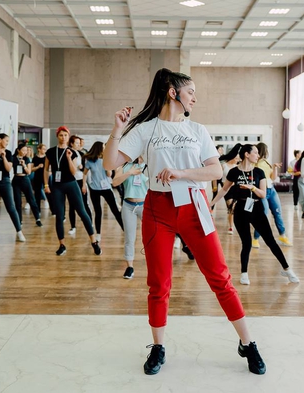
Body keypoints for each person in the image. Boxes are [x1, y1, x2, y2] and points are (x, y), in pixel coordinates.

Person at [103, 68, 266, 376]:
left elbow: (215, 171)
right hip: (158, 209)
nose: (195, 97)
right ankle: (158, 347)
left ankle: (248, 343)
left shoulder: (197, 130)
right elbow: (110, 163)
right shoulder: (146, 129)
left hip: (194, 206)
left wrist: (182, 173)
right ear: (173, 92)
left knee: (220, 277)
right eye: (191, 91)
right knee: (159, 282)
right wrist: (118, 129)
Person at [212, 144, 299, 286]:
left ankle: (287, 269)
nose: (258, 155)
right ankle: (244, 273)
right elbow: (224, 190)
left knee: (270, 241)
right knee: (246, 243)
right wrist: (211, 204)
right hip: (240, 209)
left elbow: (263, 194)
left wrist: (252, 187)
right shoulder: (234, 172)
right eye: (256, 152)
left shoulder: (259, 172)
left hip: (256, 208)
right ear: (247, 154)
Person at [45, 126, 100, 256]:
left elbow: (74, 172)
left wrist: (69, 158)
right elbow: (46, 169)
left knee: (82, 212)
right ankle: (62, 245)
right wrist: (46, 184)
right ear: (57, 136)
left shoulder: (73, 152)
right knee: (59, 216)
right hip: (57, 186)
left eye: (65, 135)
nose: (63, 137)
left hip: (71, 184)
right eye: (61, 135)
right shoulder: (50, 152)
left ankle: (94, 242)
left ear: (68, 137)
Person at [112, 156, 148, 279]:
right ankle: (130, 267)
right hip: (128, 206)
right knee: (129, 237)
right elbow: (115, 182)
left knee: (151, 236)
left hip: (145, 206)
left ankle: (154, 263)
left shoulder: (149, 166)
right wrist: (129, 173)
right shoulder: (126, 166)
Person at [251, 142, 292, 248]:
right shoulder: (254, 164)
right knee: (263, 215)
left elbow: (273, 178)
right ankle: (255, 238)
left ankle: (282, 235)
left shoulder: (266, 162)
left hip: (271, 190)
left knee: (278, 212)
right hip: (262, 191)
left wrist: (274, 167)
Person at [83, 141, 124, 240]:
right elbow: (84, 173)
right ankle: (98, 234)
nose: (105, 149)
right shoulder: (90, 161)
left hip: (106, 188)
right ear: (99, 149)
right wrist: (83, 185)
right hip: (94, 189)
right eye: (103, 147)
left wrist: (108, 166)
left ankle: (125, 230)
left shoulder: (106, 160)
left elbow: (109, 175)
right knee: (98, 212)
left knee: (115, 210)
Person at [12, 142, 43, 227]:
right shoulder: (13, 158)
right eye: (23, 150)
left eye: (26, 150)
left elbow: (29, 172)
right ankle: (19, 220)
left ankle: (37, 219)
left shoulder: (27, 159)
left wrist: (24, 165)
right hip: (16, 179)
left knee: (31, 199)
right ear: (18, 150)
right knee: (17, 201)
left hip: (25, 179)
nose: (25, 152)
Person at [68, 135, 93, 235]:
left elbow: (84, 169)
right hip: (72, 181)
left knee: (84, 203)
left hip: (80, 180)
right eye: (77, 143)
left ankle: (90, 222)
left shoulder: (80, 153)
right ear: (71, 144)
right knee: (72, 205)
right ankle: (73, 227)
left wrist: (84, 184)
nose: (79, 145)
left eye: (79, 143)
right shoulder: (69, 153)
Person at [218, 144, 242, 234]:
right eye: (236, 158)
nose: (237, 160)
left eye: (238, 158)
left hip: (235, 189)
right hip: (226, 189)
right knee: (230, 207)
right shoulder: (223, 165)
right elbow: (218, 177)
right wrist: (216, 186)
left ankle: (232, 226)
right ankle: (231, 226)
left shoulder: (237, 167)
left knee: (234, 208)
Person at [32, 144, 53, 212]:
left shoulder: (47, 157)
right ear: (39, 149)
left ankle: (53, 210)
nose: (45, 150)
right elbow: (31, 169)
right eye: (43, 149)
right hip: (37, 176)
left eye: (45, 149)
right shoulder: (35, 158)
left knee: (49, 193)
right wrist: (38, 167)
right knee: (37, 193)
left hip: (46, 177)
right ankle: (37, 210)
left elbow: (51, 166)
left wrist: (50, 172)